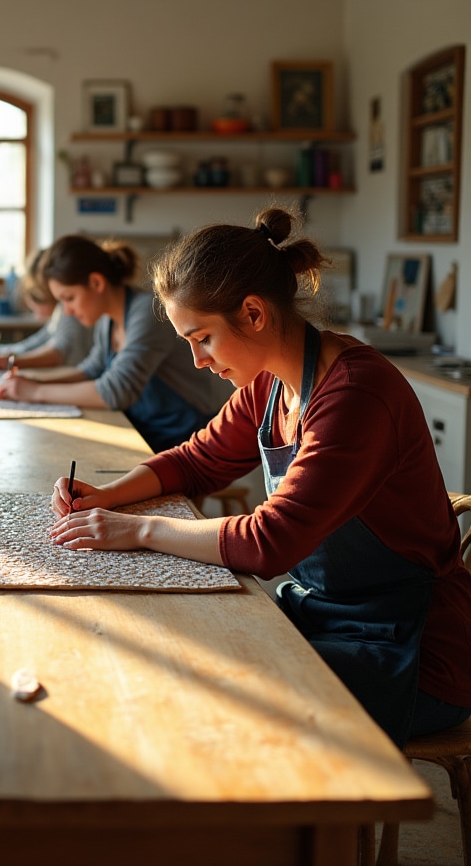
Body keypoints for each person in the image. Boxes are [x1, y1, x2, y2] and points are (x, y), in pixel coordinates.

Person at [49, 207, 471, 749]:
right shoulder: (271, 382)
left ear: (253, 313)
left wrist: (139, 529)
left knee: (215, 698)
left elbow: (270, 541)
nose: (198, 361)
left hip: (411, 653)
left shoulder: (354, 396)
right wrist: (107, 495)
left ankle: (297, 833)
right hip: (326, 616)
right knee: (177, 652)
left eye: (202, 338)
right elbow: (196, 461)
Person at [0, 234, 229, 452]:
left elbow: (116, 391)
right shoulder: (108, 320)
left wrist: (35, 392)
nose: (67, 311)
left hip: (188, 437)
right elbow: (91, 370)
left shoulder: (148, 312)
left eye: (69, 298)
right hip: (148, 431)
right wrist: (31, 381)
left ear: (96, 282)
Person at [0, 248, 94, 372]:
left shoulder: (68, 310)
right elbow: (41, 339)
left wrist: (12, 361)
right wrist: (10, 353)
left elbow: (57, 353)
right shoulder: (60, 312)